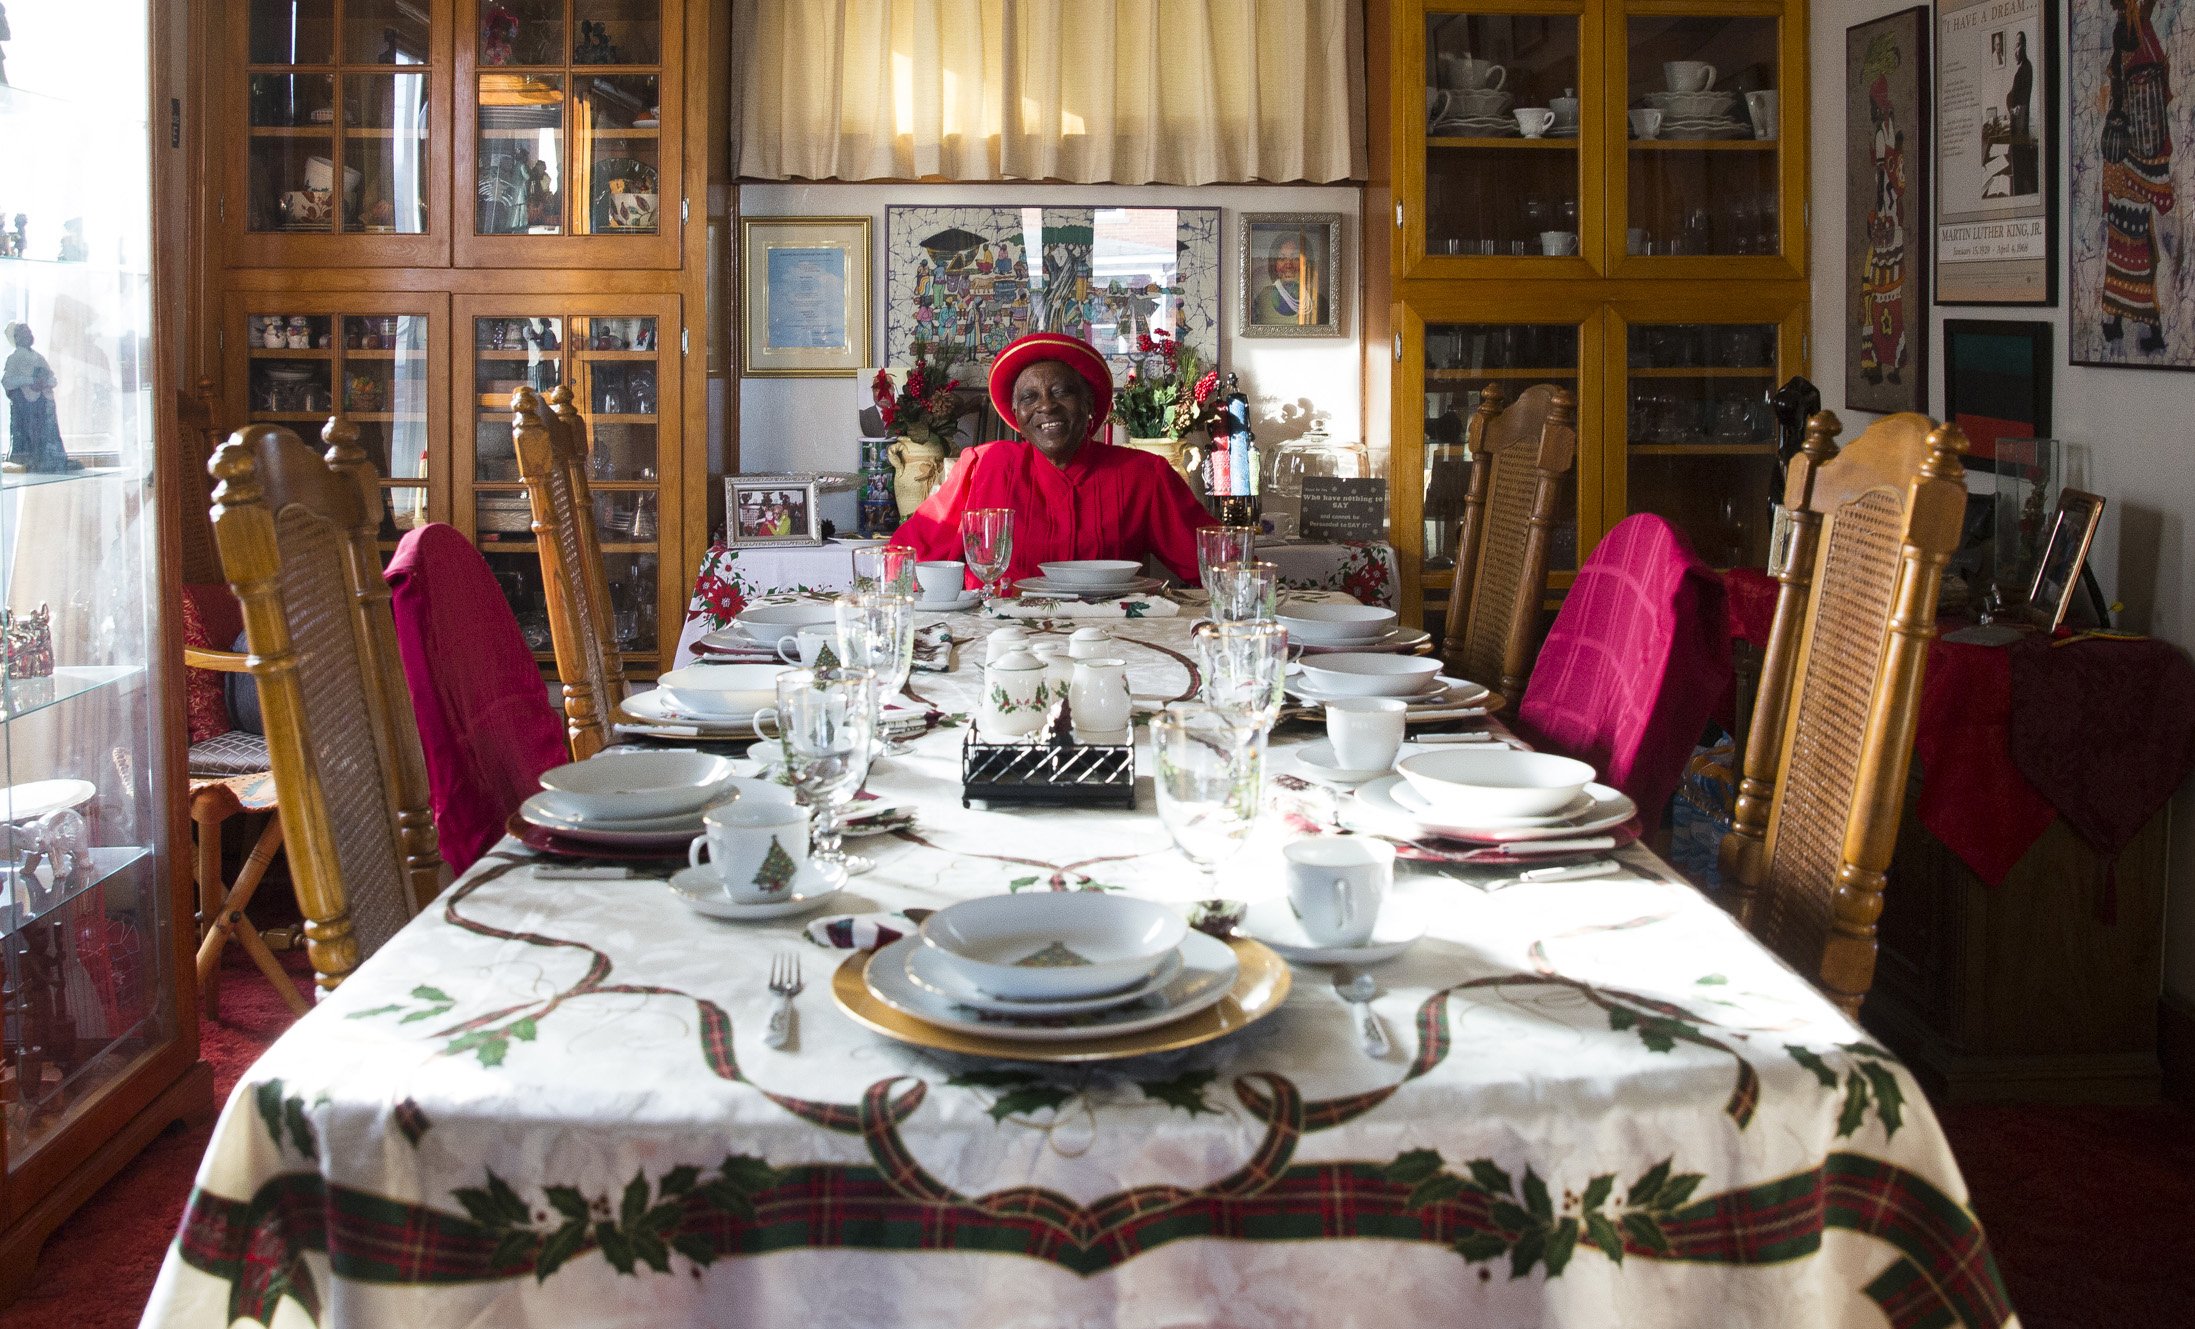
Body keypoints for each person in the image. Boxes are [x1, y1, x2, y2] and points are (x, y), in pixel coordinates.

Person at [893, 331, 1215, 587]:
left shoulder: (1144, 474)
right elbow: (903, 557)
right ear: (1017, 417)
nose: (1046, 406)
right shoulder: (983, 467)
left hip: (1108, 645)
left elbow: (1217, 565)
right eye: (1029, 397)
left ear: (1088, 405)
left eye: (1062, 392)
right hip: (1001, 646)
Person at [2101, 0, 2175, 353]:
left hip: (2125, 162)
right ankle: (2134, 319)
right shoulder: (2140, 39)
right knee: (2135, 242)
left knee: (2131, 241)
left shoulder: (2134, 39)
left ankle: (2122, 318)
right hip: (2133, 161)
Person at [1251, 235, 1316, 325]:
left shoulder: (1316, 299)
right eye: (1282, 258)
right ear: (1274, 264)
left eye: (1296, 258)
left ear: (1307, 264)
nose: (1288, 265)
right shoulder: (1262, 298)